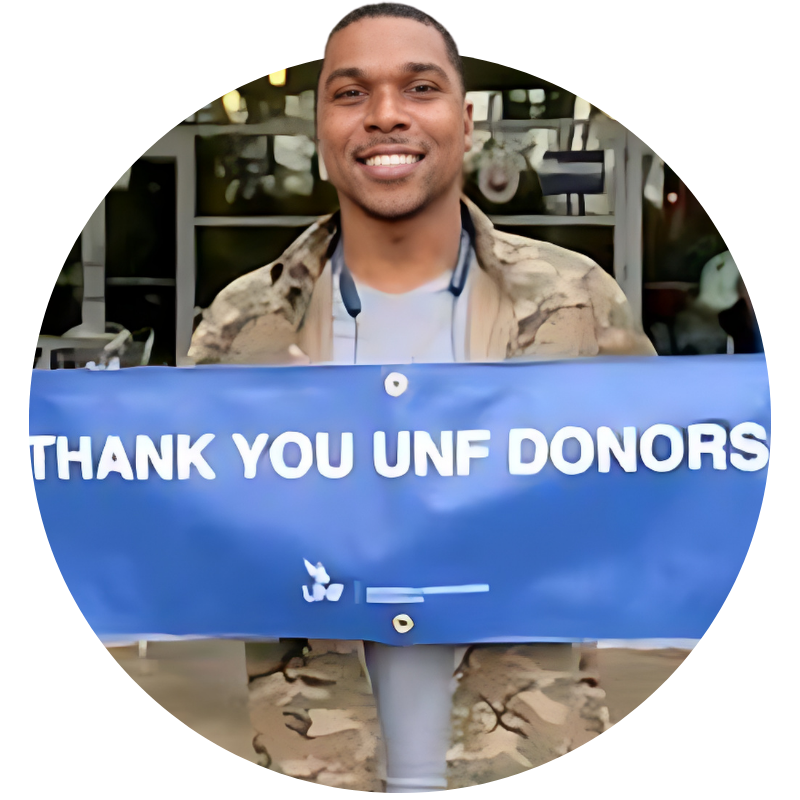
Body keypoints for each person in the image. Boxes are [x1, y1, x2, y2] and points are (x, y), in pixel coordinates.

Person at [189, 3, 657, 791]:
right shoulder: (246, 325)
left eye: (420, 87)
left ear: (465, 119)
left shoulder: (579, 302)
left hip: (526, 747)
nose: (385, 117)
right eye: (350, 93)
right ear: (318, 125)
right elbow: (192, 538)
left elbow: (660, 498)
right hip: (316, 757)